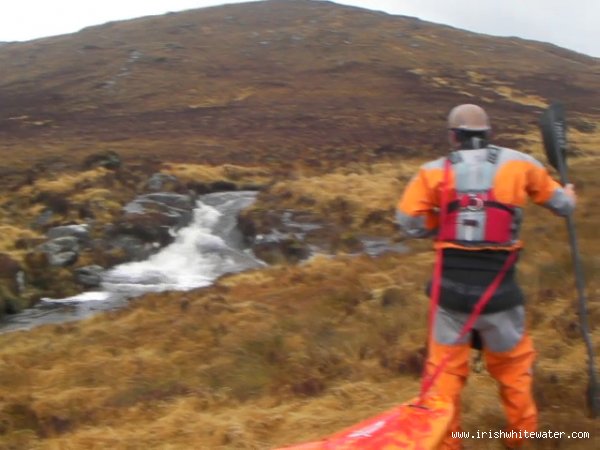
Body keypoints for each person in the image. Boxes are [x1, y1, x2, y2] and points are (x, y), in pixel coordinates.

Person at [395, 104, 576, 449]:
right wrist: (568, 196)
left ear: (453, 136)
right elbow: (561, 206)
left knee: (444, 378)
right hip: (501, 296)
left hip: (450, 298)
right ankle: (521, 439)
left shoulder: (433, 172)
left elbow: (409, 222)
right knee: (514, 372)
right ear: (489, 133)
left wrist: (442, 222)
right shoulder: (520, 163)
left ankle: (448, 444)